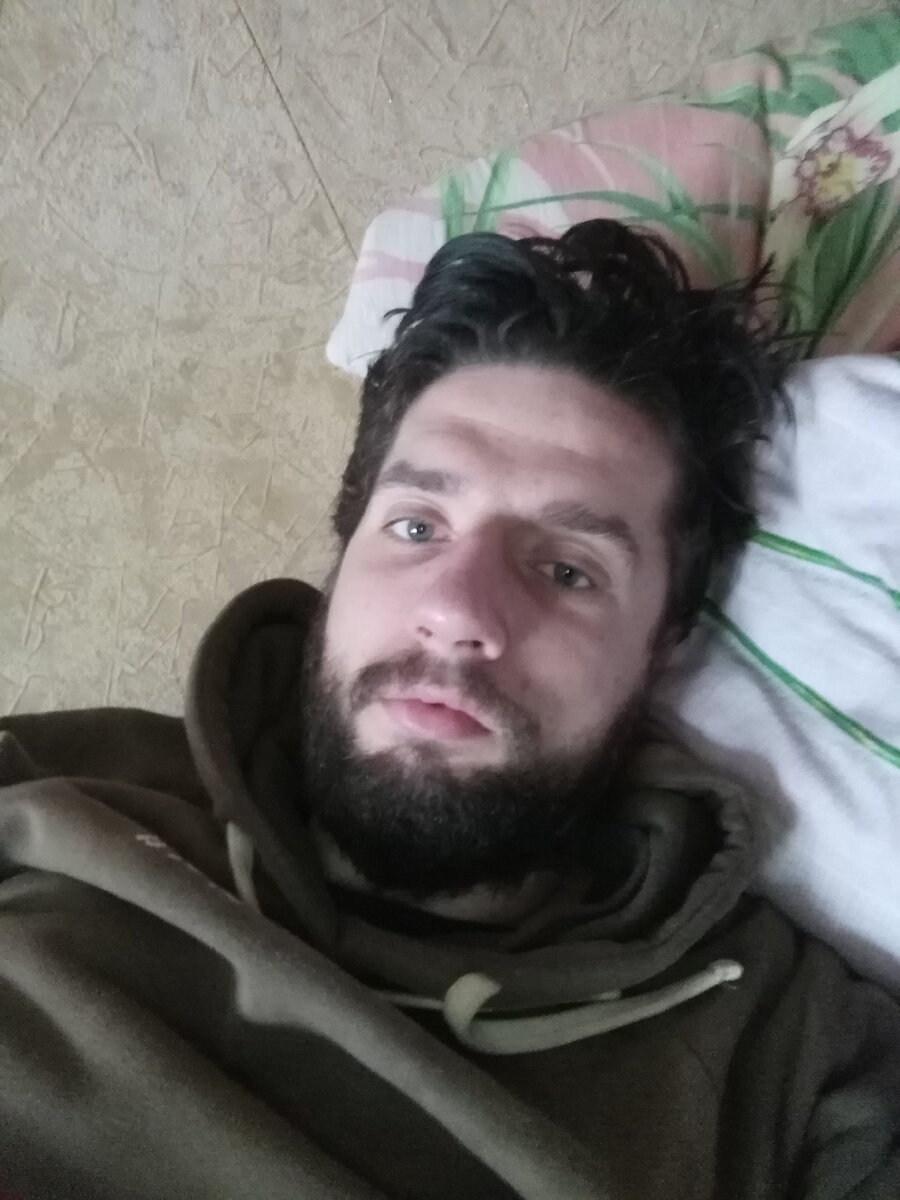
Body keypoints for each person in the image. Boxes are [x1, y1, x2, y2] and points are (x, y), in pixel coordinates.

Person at [1, 219, 898, 1200]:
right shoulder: (55, 787)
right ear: (343, 553)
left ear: (662, 645)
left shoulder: (789, 1056)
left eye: (568, 570)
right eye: (418, 525)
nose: (458, 611)